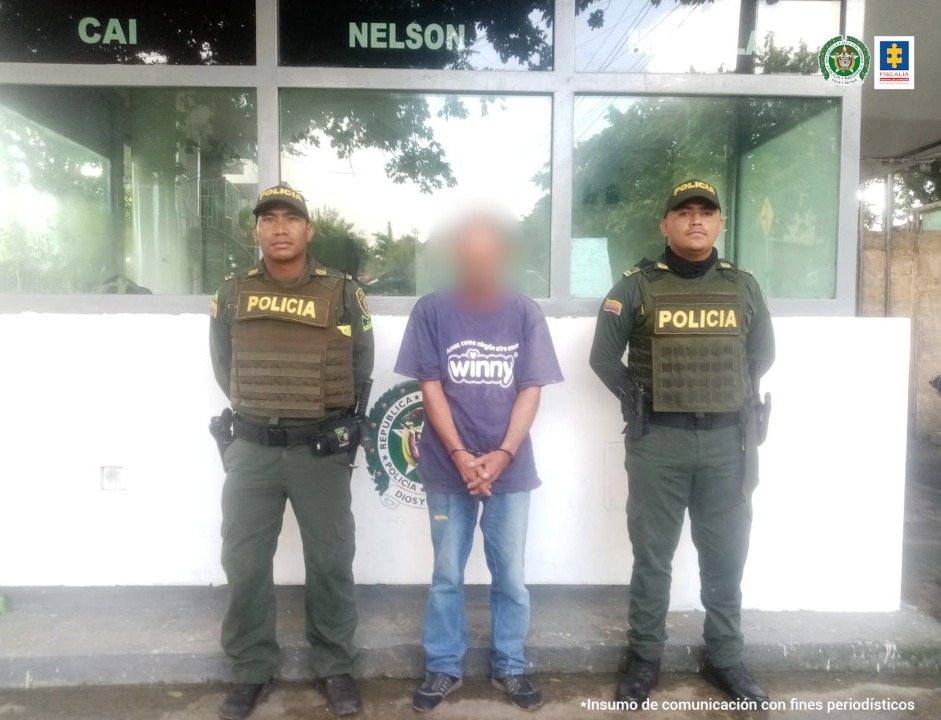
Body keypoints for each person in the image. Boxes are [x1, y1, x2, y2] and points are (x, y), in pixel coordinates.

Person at [589, 180, 775, 710]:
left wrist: (730, 397)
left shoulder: (743, 285)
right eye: (684, 213)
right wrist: (638, 399)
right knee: (653, 558)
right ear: (665, 225)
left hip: (727, 443)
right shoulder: (636, 286)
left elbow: (762, 354)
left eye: (706, 213)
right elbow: (603, 358)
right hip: (660, 442)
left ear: (719, 224)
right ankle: (644, 658)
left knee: (726, 558)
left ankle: (726, 659)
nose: (696, 220)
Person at [209, 185, 374, 719]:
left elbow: (361, 364)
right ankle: (251, 670)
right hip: (252, 450)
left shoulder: (343, 292)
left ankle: (335, 666)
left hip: (319, 450)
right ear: (256, 230)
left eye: (291, 219)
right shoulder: (233, 291)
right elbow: (223, 363)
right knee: (244, 561)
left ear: (309, 230)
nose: (279, 227)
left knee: (330, 561)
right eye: (268, 219)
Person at [394, 210, 564, 713]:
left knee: (509, 573)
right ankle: (444, 666)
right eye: (469, 256)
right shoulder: (431, 311)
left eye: (488, 256)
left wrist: (503, 453)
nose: (479, 265)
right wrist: (462, 455)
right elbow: (430, 388)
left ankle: (510, 666)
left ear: (502, 257)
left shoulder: (525, 313)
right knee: (447, 572)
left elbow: (531, 390)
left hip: (510, 469)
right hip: (449, 468)